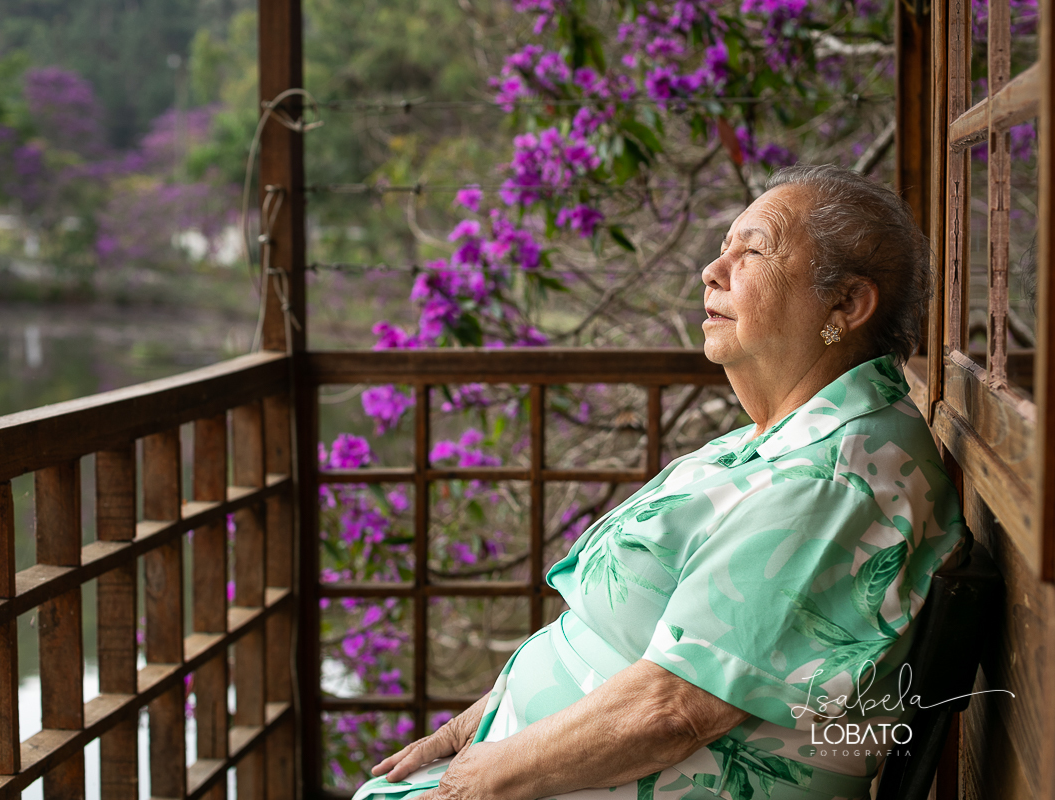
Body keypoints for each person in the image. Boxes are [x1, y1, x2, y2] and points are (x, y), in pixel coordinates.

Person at [352, 164, 966, 800]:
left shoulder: (836, 481)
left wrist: (465, 785)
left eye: (752, 250)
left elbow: (674, 711)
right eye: (722, 247)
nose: (712, 270)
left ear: (845, 304)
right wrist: (479, 723)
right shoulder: (782, 439)